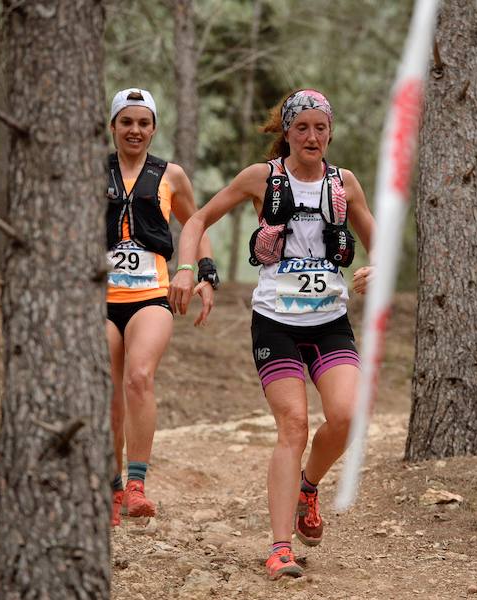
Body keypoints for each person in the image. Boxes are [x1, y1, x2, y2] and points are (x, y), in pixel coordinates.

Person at [169, 89, 374, 579]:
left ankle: (309, 487)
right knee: (293, 426)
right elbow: (197, 219)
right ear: (286, 132)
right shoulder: (263, 178)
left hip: (329, 321)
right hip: (276, 321)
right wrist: (184, 267)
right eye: (301, 127)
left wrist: (376, 270)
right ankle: (280, 547)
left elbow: (377, 240)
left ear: (330, 132)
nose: (312, 136)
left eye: (320, 128)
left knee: (346, 416)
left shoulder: (343, 184)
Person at [104, 88, 218, 527]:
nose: (135, 130)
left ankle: (136, 487)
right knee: (107, 391)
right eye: (126, 122)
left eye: (143, 123)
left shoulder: (171, 175)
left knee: (138, 377)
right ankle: (109, 488)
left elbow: (197, 222)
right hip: (100, 298)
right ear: (113, 126)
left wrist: (203, 272)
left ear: (154, 128)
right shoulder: (92, 171)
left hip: (152, 293)